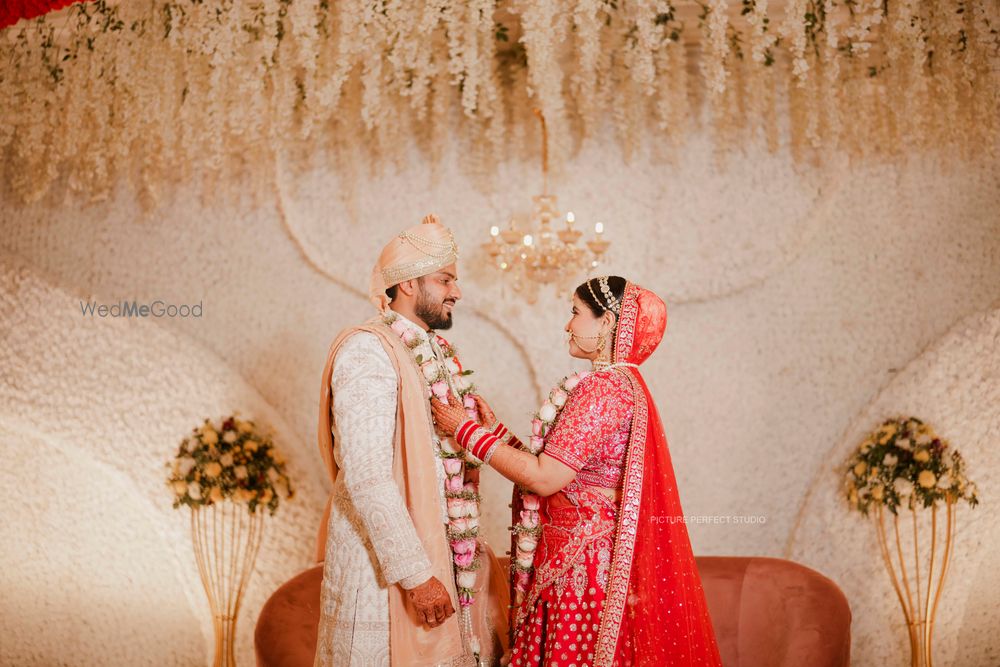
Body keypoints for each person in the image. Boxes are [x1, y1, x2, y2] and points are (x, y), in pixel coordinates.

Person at [432, 276, 722, 666]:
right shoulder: (623, 385)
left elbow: (544, 478)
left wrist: (464, 431)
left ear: (606, 323)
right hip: (579, 559)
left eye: (575, 313)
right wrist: (496, 433)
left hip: (581, 568)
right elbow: (567, 472)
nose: (567, 324)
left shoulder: (603, 388)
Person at [314, 214, 509, 667]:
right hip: (384, 575)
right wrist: (417, 575)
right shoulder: (367, 350)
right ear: (406, 284)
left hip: (442, 561)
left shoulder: (437, 356)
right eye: (445, 280)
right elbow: (366, 474)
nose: (457, 292)